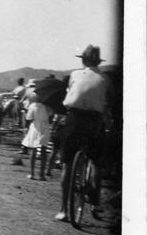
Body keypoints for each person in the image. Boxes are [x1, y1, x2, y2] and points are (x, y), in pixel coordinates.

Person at [55, 45, 113, 222]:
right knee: (96, 161)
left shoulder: (75, 74)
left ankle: (64, 210)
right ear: (98, 62)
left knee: (67, 164)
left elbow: (71, 93)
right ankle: (95, 201)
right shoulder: (105, 79)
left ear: (83, 60)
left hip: (74, 118)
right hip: (94, 121)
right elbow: (108, 103)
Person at [22, 94, 52, 180]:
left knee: (33, 150)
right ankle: (41, 174)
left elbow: (29, 118)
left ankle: (32, 173)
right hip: (45, 127)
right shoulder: (47, 107)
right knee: (43, 150)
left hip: (35, 127)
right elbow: (50, 114)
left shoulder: (32, 106)